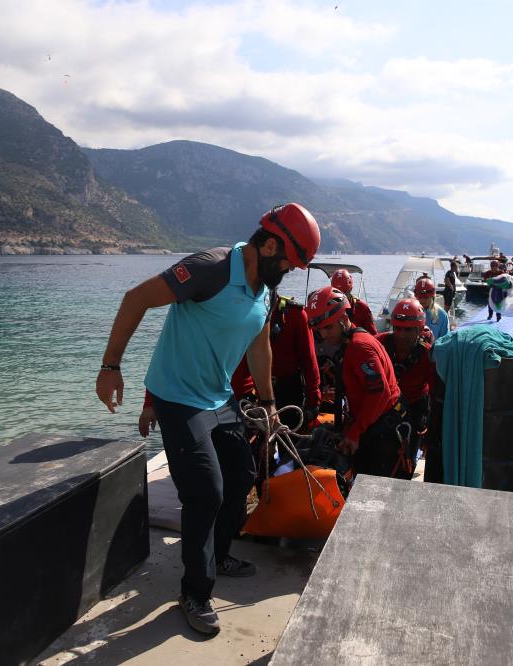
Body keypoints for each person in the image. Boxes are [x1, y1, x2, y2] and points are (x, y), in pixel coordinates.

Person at [97, 202, 321, 637]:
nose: (289, 272)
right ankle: (196, 592)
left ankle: (217, 555)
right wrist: (111, 367)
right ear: (271, 243)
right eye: (289, 263)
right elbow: (137, 298)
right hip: (178, 397)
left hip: (220, 396)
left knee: (241, 474)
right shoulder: (211, 269)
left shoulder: (264, 289)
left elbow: (260, 347)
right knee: (205, 492)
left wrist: (271, 403)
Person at [305, 286, 406, 479]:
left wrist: (355, 432)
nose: (324, 335)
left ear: (343, 319)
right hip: (374, 426)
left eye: (328, 327)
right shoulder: (351, 343)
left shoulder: (359, 346)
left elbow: (380, 392)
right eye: (319, 330)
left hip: (381, 435)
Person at [230, 293, 321, 426]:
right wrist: (244, 396)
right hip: (259, 392)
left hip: (290, 391)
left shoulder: (295, 315)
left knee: (288, 435)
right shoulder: (245, 316)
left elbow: (309, 361)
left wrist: (314, 401)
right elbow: (241, 361)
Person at [376, 299, 436, 478]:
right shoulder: (380, 344)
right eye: (398, 329)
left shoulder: (427, 355)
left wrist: (431, 432)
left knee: (406, 462)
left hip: (415, 409)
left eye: (408, 330)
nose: (401, 335)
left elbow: (436, 393)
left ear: (419, 330)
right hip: (385, 407)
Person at [331, 268, 376, 334]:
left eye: (344, 293)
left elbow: (373, 334)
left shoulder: (361, 308)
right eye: (337, 293)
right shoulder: (328, 306)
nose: (341, 298)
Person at [413, 275, 449, 341]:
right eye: (420, 297)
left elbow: (445, 341)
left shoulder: (442, 315)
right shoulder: (410, 312)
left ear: (432, 297)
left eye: (426, 297)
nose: (422, 300)